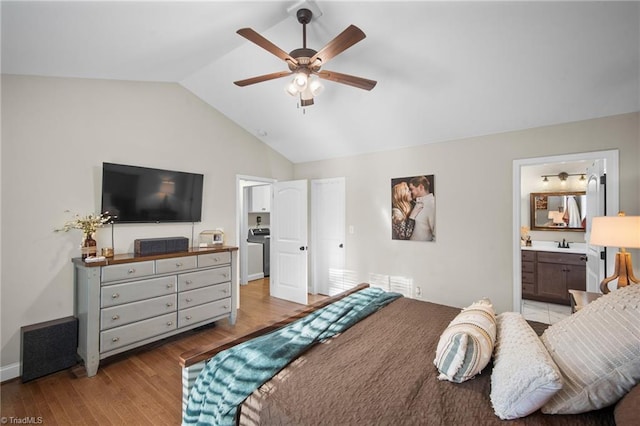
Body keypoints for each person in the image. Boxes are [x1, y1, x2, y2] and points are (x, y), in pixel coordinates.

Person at [408, 176, 435, 241]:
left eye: (411, 189)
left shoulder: (432, 204)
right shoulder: (416, 203)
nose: (410, 192)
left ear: (421, 187)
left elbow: (437, 236)